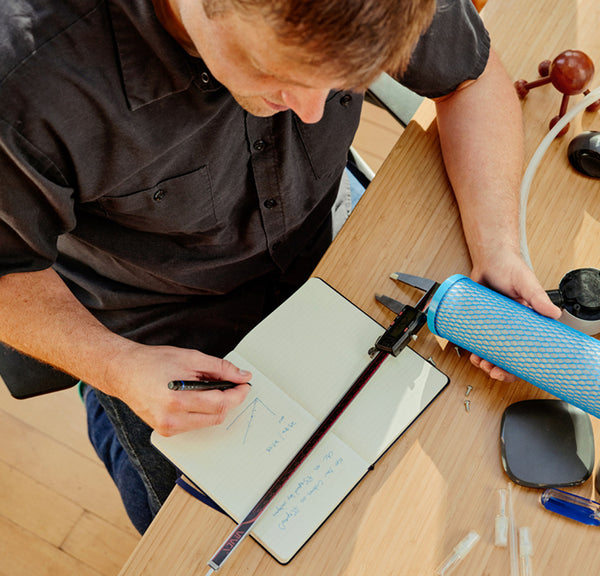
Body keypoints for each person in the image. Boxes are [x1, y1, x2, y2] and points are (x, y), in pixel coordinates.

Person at [0, 0, 560, 533]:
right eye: (276, 72)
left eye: (344, 84)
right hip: (152, 327)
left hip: (329, 230)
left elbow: (471, 79)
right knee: (213, 539)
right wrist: (116, 367)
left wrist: (498, 249)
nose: (314, 110)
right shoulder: (23, 77)